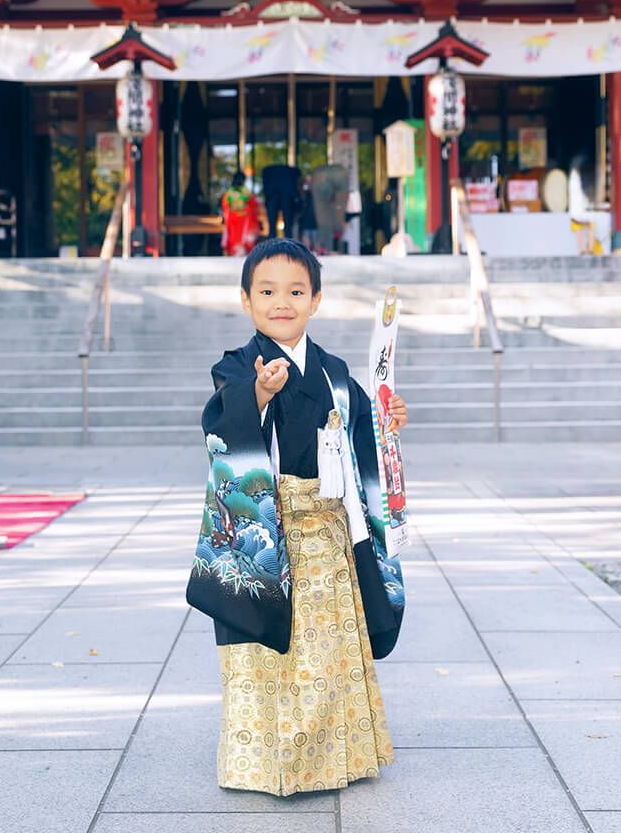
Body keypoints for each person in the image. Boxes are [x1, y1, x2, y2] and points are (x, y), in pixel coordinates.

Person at [186, 238, 407, 797]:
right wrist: (256, 397)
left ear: (316, 300)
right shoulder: (236, 367)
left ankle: (338, 752)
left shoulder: (332, 371)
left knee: (328, 649)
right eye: (266, 291)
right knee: (269, 648)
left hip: (329, 528)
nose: (280, 302)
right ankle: (262, 761)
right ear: (245, 300)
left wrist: (385, 422)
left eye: (295, 291)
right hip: (269, 529)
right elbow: (221, 422)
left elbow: (361, 436)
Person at [220, 171, 259, 257]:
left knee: (233, 238)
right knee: (243, 238)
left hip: (232, 219)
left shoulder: (229, 193)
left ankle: (233, 253)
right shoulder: (247, 193)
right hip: (245, 219)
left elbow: (225, 206)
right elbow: (254, 205)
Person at [261, 162, 301, 239]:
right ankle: (288, 242)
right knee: (287, 223)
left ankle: (272, 242)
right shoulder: (292, 172)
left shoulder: (268, 172)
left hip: (273, 193)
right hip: (285, 193)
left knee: (273, 224)